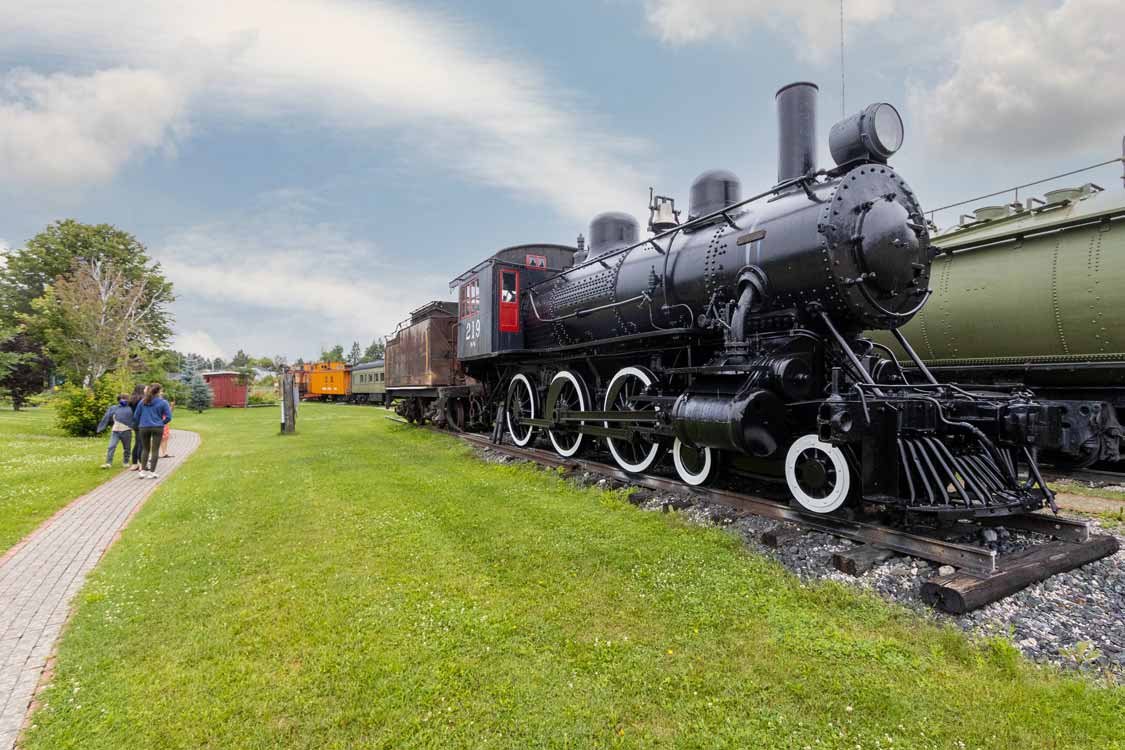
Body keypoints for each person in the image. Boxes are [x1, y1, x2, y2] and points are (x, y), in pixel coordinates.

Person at [133, 382, 173, 479]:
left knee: (145, 449)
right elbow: (168, 417)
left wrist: (141, 423)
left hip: (143, 427)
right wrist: (161, 423)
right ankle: (152, 472)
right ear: (159, 391)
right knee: (155, 450)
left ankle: (142, 472)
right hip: (157, 427)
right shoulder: (163, 402)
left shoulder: (142, 402)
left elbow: (136, 416)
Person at [95, 394, 136, 468]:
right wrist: (101, 427)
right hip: (115, 431)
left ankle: (126, 461)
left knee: (127, 448)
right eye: (121, 398)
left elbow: (134, 419)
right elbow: (106, 417)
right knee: (111, 446)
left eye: (125, 398)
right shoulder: (114, 408)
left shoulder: (131, 408)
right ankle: (108, 463)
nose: (123, 400)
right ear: (119, 400)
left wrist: (134, 426)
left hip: (126, 431)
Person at [127, 384, 146, 471]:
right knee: (141, 444)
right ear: (142, 390)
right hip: (142, 423)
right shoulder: (143, 400)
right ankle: (141, 463)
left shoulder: (131, 399)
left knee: (137, 443)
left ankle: (135, 463)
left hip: (135, 423)